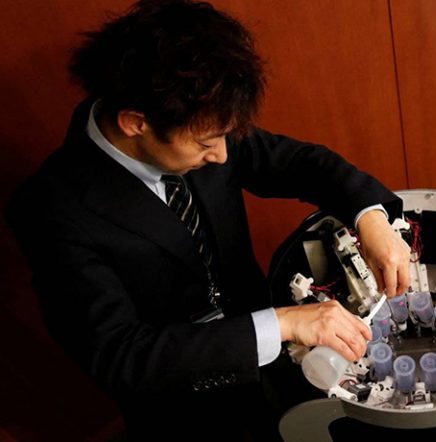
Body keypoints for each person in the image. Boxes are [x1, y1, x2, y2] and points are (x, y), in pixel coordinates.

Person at [5, 0, 411, 440]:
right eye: (205, 145)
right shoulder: (49, 211)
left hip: (268, 348)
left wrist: (369, 217)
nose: (221, 155)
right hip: (183, 400)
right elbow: (120, 355)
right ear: (135, 123)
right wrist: (283, 323)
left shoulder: (200, 119)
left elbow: (299, 163)